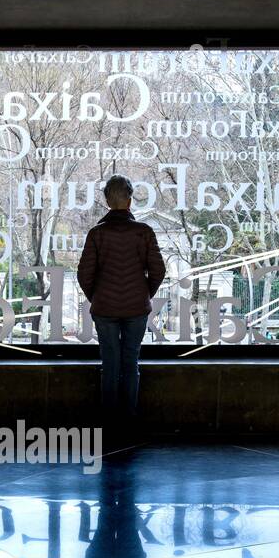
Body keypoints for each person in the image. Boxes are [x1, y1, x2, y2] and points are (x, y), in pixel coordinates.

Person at [76, 174, 166, 429]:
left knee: (110, 363)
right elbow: (158, 271)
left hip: (104, 309)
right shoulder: (144, 232)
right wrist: (143, 294)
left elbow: (85, 273)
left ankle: (108, 420)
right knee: (130, 361)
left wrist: (98, 297)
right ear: (129, 200)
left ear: (107, 201)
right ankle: (129, 418)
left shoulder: (96, 234)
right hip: (137, 309)